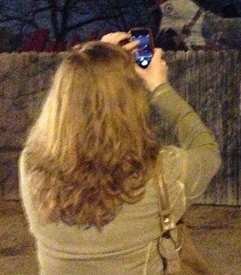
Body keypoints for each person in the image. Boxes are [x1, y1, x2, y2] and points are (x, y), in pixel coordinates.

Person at [18, 32, 222, 275]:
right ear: (132, 103)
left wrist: (95, 62)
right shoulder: (162, 172)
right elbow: (207, 149)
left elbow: (60, 118)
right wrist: (160, 88)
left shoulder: (31, 164)